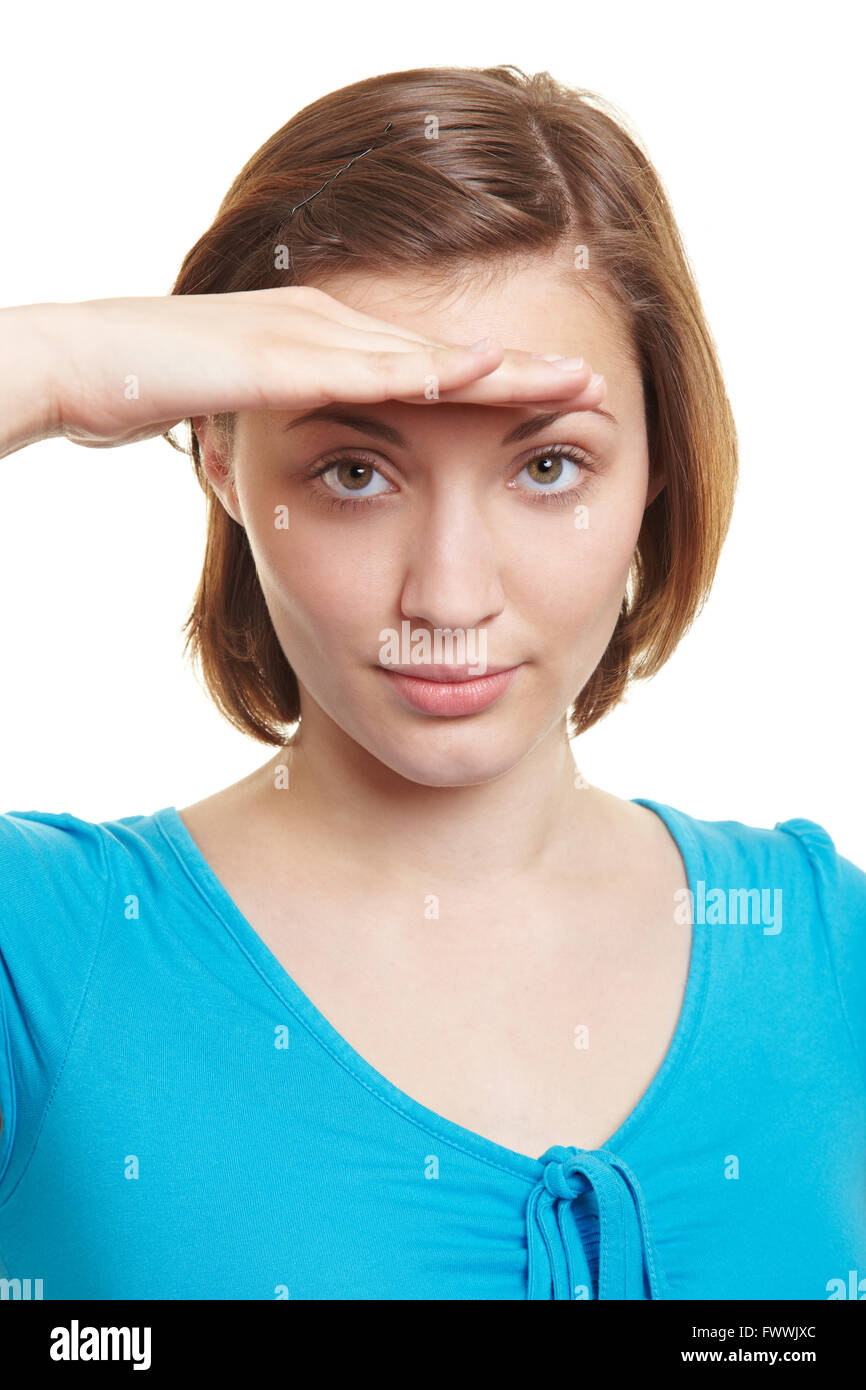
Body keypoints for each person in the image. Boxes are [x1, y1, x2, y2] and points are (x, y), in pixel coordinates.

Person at [0, 64, 863, 1302]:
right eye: (354, 469)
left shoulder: (823, 945)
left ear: (658, 471)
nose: (449, 596)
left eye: (549, 465)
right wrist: (57, 359)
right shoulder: (40, 955)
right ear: (222, 466)